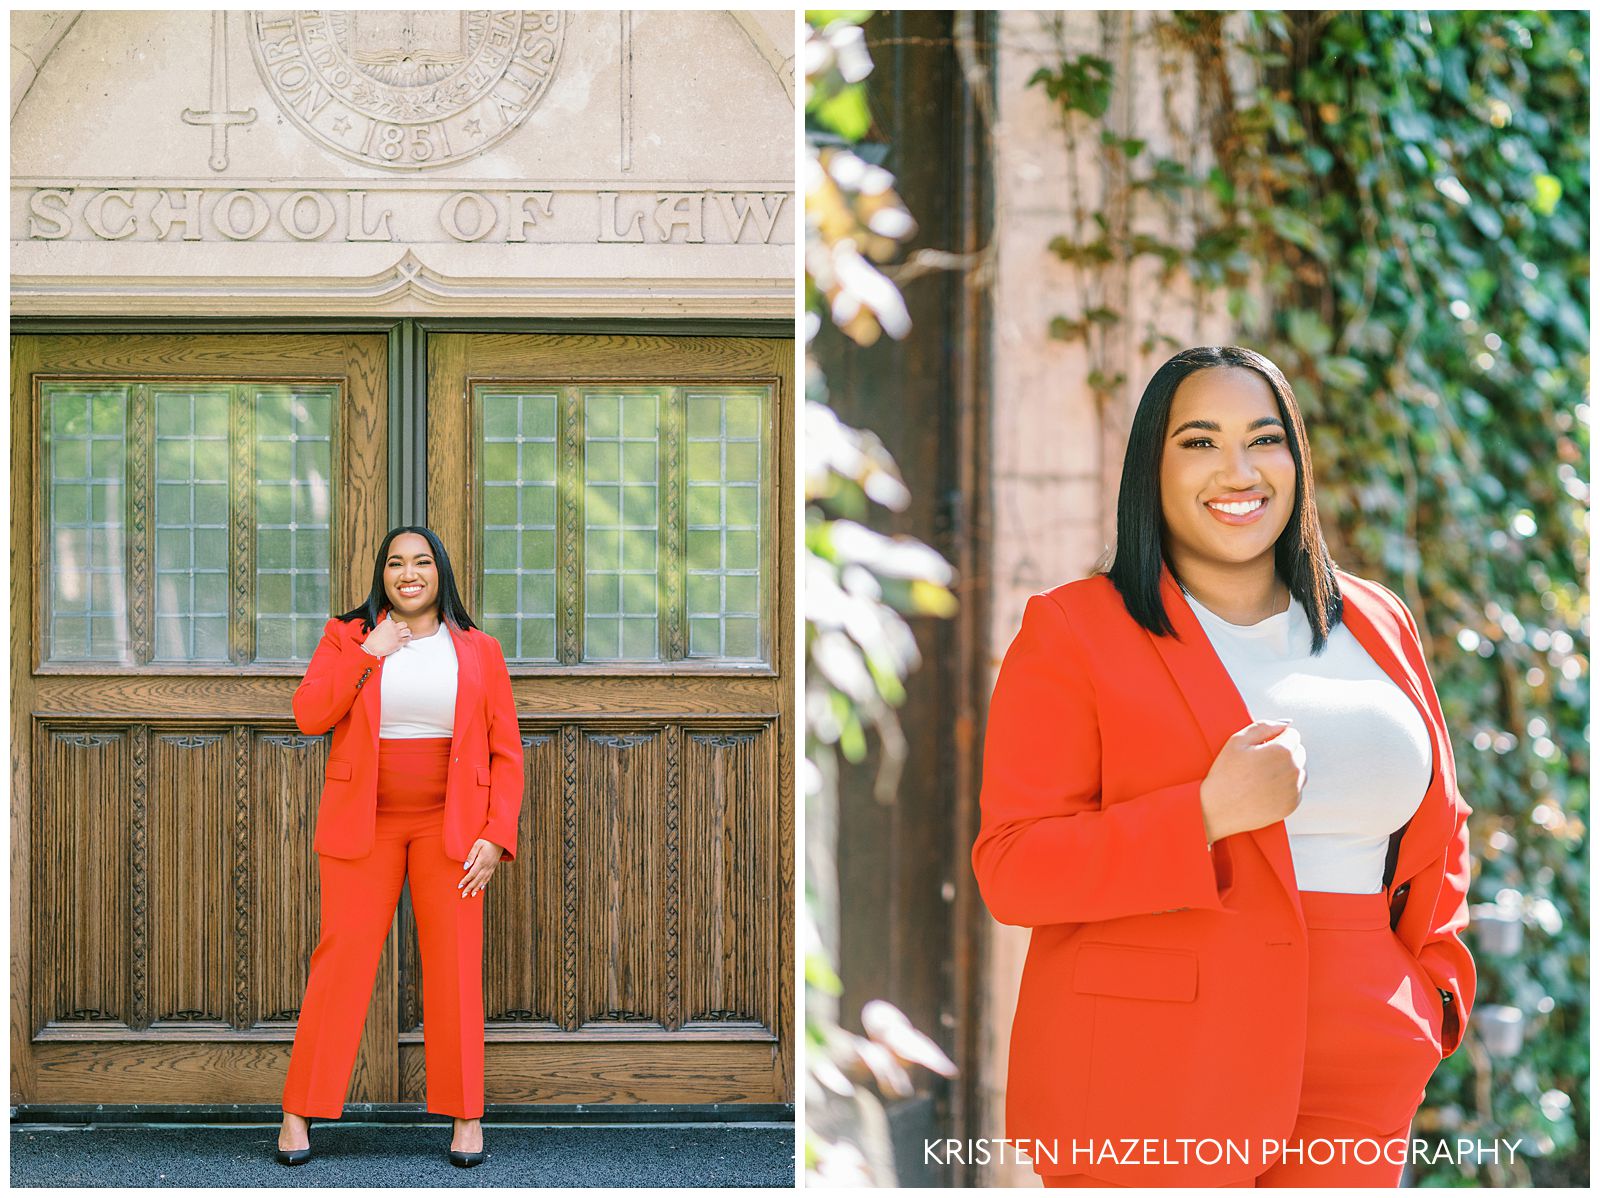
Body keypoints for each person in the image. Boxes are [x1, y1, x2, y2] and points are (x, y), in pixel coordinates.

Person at [973, 346, 1475, 1187]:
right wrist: (1202, 815)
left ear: (1296, 460)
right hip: (1155, 1069)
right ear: (1152, 468)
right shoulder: (1075, 630)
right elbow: (1013, 868)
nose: (1237, 470)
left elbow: (1441, 827)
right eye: (1199, 442)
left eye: (1264, 439)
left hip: (1363, 1065)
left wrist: (1431, 996)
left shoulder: (1377, 620)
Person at [276, 526, 524, 1168]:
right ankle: (298, 1112)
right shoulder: (347, 635)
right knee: (341, 962)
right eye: (395, 563)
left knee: (457, 967)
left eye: (420, 562)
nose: (407, 573)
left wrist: (496, 835)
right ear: (381, 575)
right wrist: (370, 653)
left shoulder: (480, 650)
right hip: (365, 824)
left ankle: (467, 1118)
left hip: (453, 827)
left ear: (439, 571)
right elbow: (309, 714)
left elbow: (506, 751)